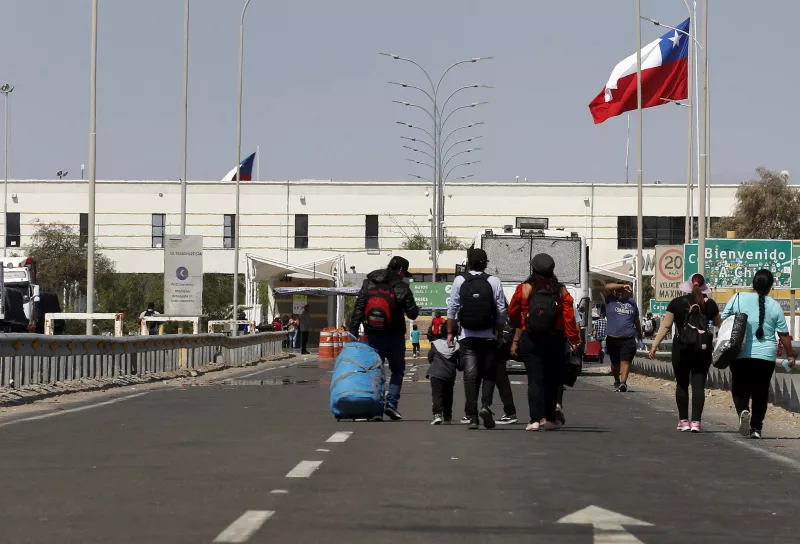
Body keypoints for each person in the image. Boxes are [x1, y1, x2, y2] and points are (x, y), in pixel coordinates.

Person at [509, 254, 581, 431]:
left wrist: (520, 325)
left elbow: (513, 312)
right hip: (554, 339)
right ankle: (549, 419)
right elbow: (569, 317)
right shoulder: (561, 290)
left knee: (534, 380)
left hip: (530, 338)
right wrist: (573, 339)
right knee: (551, 380)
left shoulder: (524, 288)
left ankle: (534, 420)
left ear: (533, 268)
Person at [721, 269, 795, 439]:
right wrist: (790, 355)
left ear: (753, 283)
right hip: (766, 357)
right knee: (761, 392)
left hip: (740, 353)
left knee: (740, 389)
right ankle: (756, 428)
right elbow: (783, 335)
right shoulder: (775, 306)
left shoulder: (738, 298)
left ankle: (743, 410)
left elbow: (724, 320)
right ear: (770, 287)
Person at [648, 273, 723, 432]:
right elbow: (720, 326)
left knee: (682, 384)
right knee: (698, 385)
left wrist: (655, 345)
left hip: (681, 348)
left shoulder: (676, 303)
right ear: (703, 287)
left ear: (688, 286)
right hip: (703, 349)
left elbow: (666, 326)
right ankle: (696, 422)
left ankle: (683, 421)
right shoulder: (710, 305)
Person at [349, 256, 420, 420]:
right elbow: (413, 314)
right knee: (397, 371)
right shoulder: (402, 287)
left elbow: (359, 308)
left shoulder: (369, 283)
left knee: (375, 371)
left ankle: (375, 409)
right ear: (401, 270)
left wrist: (353, 333)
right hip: (395, 337)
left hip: (373, 336)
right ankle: (392, 404)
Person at [447, 248, 507, 430]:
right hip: (488, 336)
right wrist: (498, 330)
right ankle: (486, 406)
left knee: (470, 376)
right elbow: (501, 309)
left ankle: (472, 416)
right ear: (486, 262)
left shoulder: (460, 280)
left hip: (467, 336)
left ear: (469, 262)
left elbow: (452, 308)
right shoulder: (494, 281)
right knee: (489, 373)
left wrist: (450, 332)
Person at [604, 283, 643, 392]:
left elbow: (636, 319)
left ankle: (623, 382)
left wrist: (640, 332)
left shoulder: (632, 303)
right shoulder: (610, 300)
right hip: (612, 338)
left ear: (629, 292)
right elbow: (607, 287)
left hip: (628, 338)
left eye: (623, 291)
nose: (620, 292)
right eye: (618, 290)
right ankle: (616, 380)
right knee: (615, 363)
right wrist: (621, 285)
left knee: (626, 360)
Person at [427, 326, 461, 425]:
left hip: (436, 373)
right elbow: (460, 363)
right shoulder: (457, 346)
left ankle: (437, 415)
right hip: (450, 374)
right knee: (448, 395)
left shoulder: (435, 344)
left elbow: (430, 357)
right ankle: (447, 415)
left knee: (437, 394)